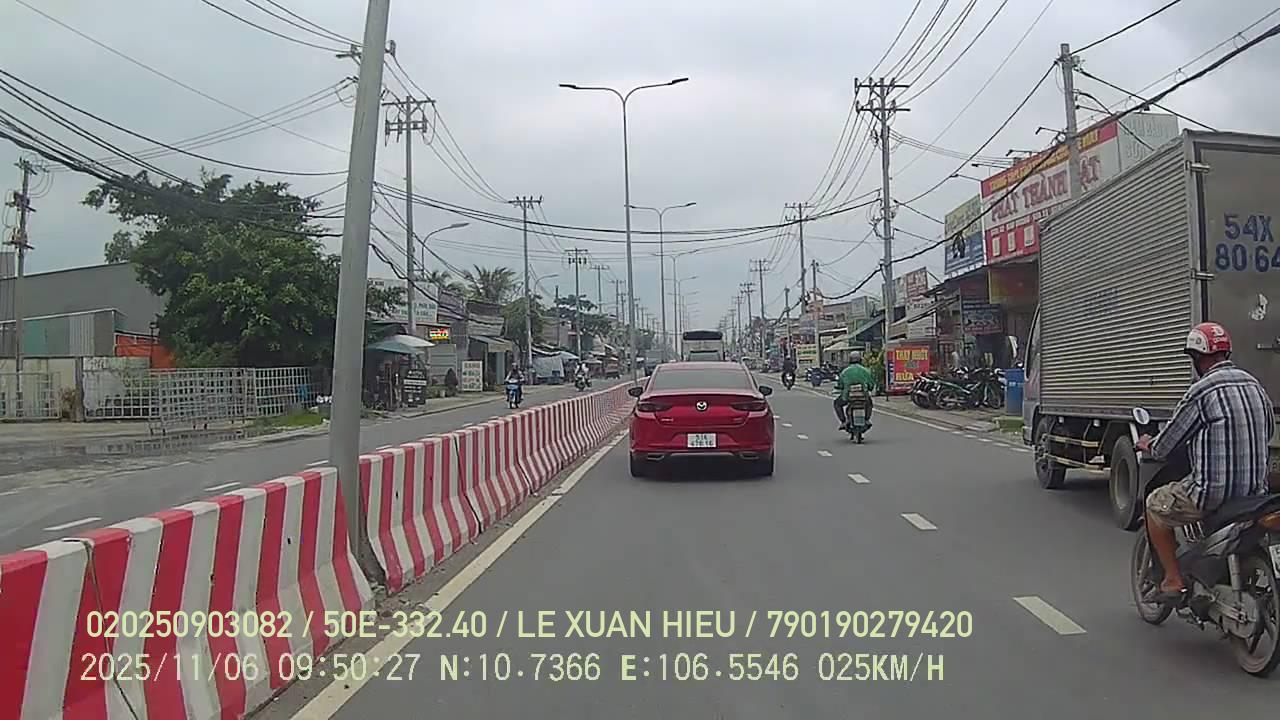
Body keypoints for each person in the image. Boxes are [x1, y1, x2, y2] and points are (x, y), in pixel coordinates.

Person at [1136, 322, 1274, 603]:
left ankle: (1173, 580)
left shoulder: (1200, 391)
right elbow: (1268, 430)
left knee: (1154, 505)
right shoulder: (1254, 384)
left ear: (1197, 358)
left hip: (1212, 494)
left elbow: (1164, 447)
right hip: (1254, 494)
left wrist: (1149, 443)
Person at [834, 351, 877, 430]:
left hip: (847, 397)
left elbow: (840, 385)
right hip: (863, 396)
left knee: (837, 404)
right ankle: (866, 420)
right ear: (860, 360)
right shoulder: (866, 371)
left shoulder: (845, 372)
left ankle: (843, 421)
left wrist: (841, 388)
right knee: (869, 404)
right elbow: (871, 385)